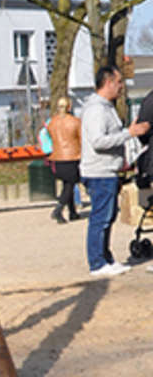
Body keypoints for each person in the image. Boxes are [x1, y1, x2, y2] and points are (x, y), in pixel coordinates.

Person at [79, 65, 148, 277]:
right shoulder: (96, 110)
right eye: (119, 82)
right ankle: (97, 263)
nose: (121, 87)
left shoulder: (106, 107)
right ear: (108, 83)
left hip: (108, 170)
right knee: (100, 217)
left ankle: (105, 258)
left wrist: (126, 131)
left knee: (107, 217)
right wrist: (129, 133)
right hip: (99, 171)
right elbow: (99, 141)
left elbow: (111, 135)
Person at [47, 96, 82, 224]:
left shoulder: (52, 122)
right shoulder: (76, 122)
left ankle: (72, 211)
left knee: (67, 183)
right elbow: (81, 139)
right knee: (70, 184)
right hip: (72, 157)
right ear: (69, 107)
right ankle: (58, 209)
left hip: (56, 157)